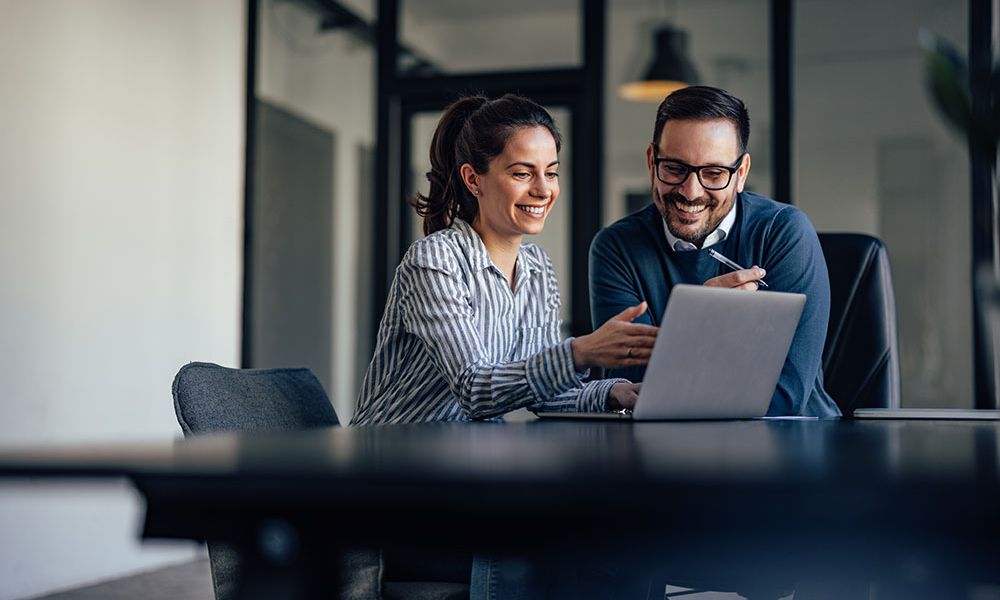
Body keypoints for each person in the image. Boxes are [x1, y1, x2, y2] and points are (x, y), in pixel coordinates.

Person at [351, 93, 657, 426]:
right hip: (389, 459)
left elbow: (544, 392)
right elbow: (474, 389)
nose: (543, 190)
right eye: (523, 174)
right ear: (473, 179)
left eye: (551, 173)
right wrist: (581, 352)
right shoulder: (434, 260)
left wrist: (616, 393)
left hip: (468, 458)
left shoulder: (537, 268)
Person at [590, 85, 841, 417]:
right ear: (652, 162)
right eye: (675, 169)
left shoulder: (784, 232)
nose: (691, 192)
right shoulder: (615, 249)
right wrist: (701, 322)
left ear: (741, 174)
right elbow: (637, 390)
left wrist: (681, 353)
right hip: (667, 452)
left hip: (792, 443)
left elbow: (786, 392)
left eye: (713, 173)